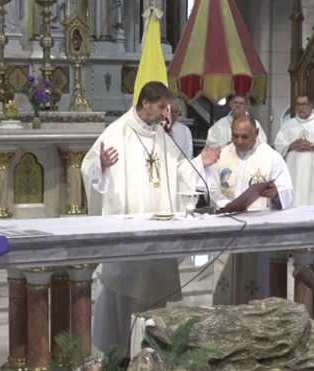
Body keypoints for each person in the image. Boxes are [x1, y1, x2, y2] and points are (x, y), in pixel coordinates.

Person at [81, 81, 219, 353]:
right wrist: (102, 165)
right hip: (129, 227)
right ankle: (118, 352)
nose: (165, 112)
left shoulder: (160, 135)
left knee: (153, 295)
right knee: (123, 293)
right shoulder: (117, 131)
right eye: (160, 106)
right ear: (145, 103)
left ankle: (151, 349)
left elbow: (178, 171)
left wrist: (201, 161)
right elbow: (88, 166)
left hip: (158, 226)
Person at [199, 114, 293, 303]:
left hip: (257, 231)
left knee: (255, 289)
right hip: (227, 228)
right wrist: (220, 205)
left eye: (244, 137)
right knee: (225, 286)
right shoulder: (222, 154)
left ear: (256, 133)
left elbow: (287, 193)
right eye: (235, 136)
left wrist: (274, 194)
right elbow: (210, 187)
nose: (239, 141)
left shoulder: (271, 157)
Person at [274, 95, 314, 207]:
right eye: (298, 104)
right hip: (294, 172)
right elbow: (278, 144)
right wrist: (290, 145)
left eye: (304, 104)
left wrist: (313, 145)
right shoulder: (288, 125)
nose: (301, 107)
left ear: (311, 105)